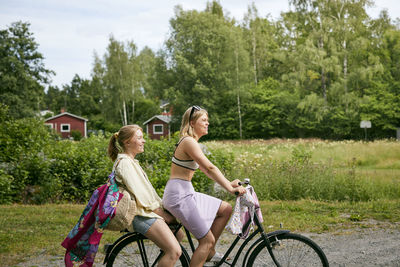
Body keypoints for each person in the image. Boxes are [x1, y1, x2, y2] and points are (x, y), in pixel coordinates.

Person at [162, 106, 246, 267]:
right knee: (206, 240)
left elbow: (206, 170)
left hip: (186, 191)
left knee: (225, 209)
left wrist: (229, 183)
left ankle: (209, 251)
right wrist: (229, 188)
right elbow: (209, 168)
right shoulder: (188, 141)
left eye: (208, 120)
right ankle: (207, 248)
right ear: (192, 123)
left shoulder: (190, 142)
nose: (208, 123)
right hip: (179, 196)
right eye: (204, 120)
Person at [108, 124, 182, 267]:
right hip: (140, 214)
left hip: (146, 211)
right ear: (127, 142)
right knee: (174, 251)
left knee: (178, 234)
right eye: (139, 138)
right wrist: (162, 213)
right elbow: (142, 196)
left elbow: (148, 192)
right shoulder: (125, 164)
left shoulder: (132, 162)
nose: (144, 141)